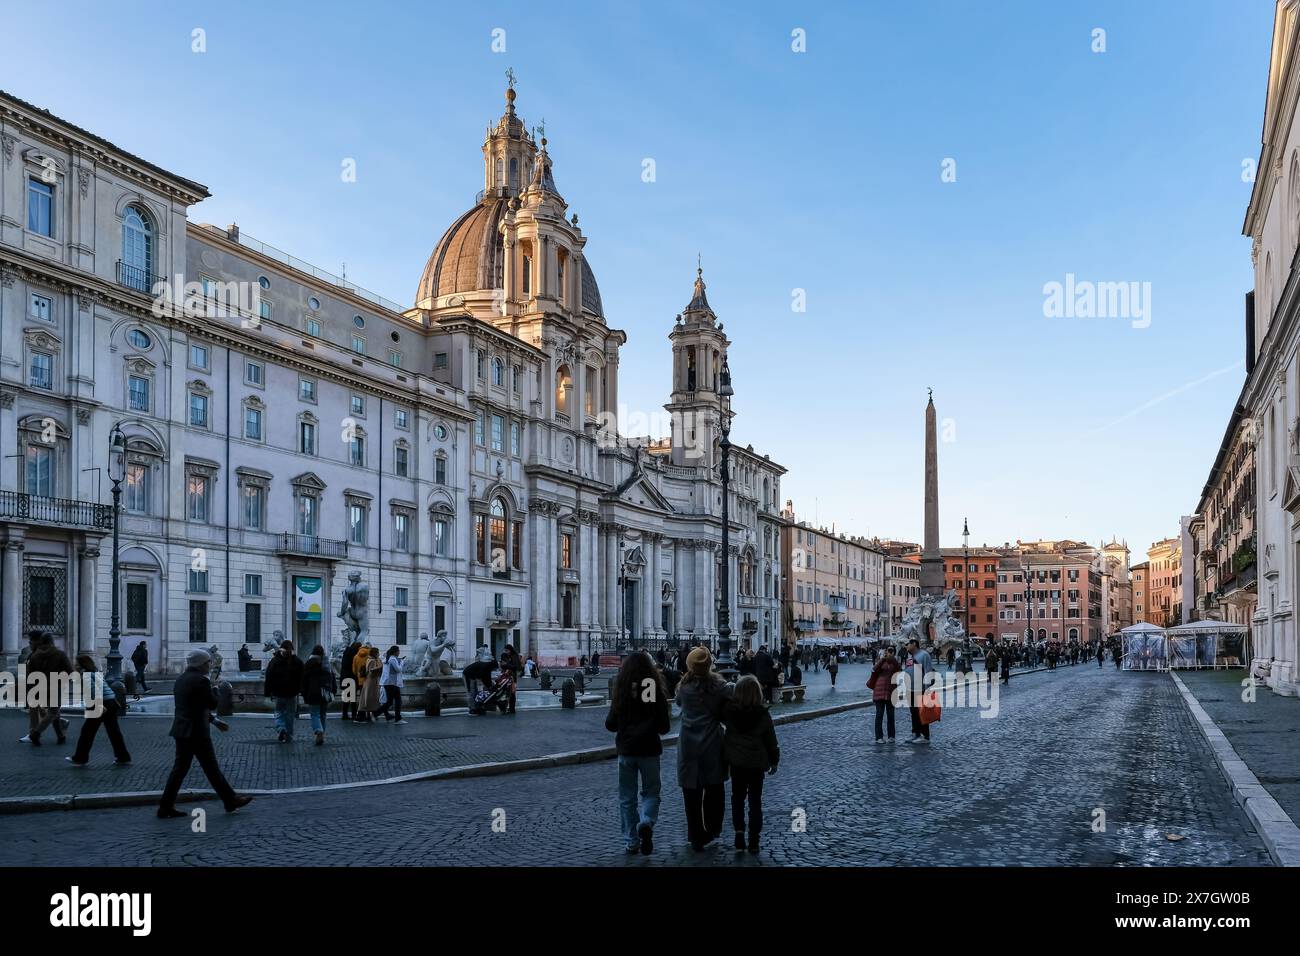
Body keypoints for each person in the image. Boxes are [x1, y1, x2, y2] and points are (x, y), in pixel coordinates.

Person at [158, 649, 252, 819]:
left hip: (182, 729)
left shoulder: (181, 679)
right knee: (209, 768)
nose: (210, 665)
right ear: (201, 664)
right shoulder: (201, 681)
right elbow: (212, 703)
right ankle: (230, 800)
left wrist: (214, 721)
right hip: (196, 732)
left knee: (182, 769)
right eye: (208, 662)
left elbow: (194, 705)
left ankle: (166, 806)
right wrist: (215, 688)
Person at [604, 651, 671, 855]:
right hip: (649, 748)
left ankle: (632, 840)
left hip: (626, 750)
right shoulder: (651, 687)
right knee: (651, 791)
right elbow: (662, 725)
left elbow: (610, 724)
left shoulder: (623, 689)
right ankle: (646, 821)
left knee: (627, 797)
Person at [675, 646, 733, 852]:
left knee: (691, 792)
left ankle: (695, 834)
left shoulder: (684, 687)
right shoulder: (718, 685)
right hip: (711, 742)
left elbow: (679, 703)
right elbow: (733, 691)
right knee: (714, 788)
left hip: (689, 744)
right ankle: (713, 827)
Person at [722, 674, 779, 854]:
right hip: (756, 764)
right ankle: (754, 838)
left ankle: (739, 831)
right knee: (755, 801)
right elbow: (771, 740)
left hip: (737, 762)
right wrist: (774, 760)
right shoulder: (763, 715)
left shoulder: (730, 713)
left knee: (737, 798)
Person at [67, 654, 131, 767]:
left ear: (82, 665)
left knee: (87, 732)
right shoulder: (94, 673)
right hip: (110, 702)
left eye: (77, 663)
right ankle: (123, 757)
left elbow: (94, 691)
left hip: (101, 704)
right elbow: (104, 688)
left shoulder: (85, 675)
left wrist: (99, 705)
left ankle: (80, 758)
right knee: (114, 732)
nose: (74, 665)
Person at [21, 633, 73, 747]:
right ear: (52, 642)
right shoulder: (60, 654)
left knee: (55, 713)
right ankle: (36, 733)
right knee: (53, 712)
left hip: (39, 687)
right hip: (55, 686)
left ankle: (61, 736)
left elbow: (30, 675)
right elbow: (70, 671)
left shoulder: (35, 656)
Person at [263, 640, 303, 742]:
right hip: (292, 692)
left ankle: (281, 728)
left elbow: (268, 677)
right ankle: (288, 734)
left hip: (278, 692)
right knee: (290, 714)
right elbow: (302, 677)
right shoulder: (297, 661)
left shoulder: (275, 661)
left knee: (279, 712)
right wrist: (301, 690)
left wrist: (267, 693)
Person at [300, 644, 335, 746]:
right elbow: (332, 677)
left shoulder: (309, 663)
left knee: (315, 713)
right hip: (325, 692)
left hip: (313, 692)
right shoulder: (326, 663)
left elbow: (304, 679)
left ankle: (318, 730)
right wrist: (332, 690)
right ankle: (322, 733)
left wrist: (303, 692)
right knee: (323, 714)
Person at [903, 638, 934, 745]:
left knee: (922, 712)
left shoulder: (924, 655)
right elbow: (907, 670)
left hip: (920, 688)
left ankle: (925, 736)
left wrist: (927, 688)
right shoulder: (910, 657)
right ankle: (915, 733)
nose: (906, 646)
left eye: (908, 644)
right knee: (914, 713)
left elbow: (928, 671)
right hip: (910, 689)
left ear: (914, 644)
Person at [869, 646, 902, 743]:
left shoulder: (895, 662)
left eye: (891, 651)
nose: (889, 652)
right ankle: (879, 737)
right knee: (879, 714)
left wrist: (893, 659)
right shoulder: (881, 661)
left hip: (891, 691)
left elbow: (899, 671)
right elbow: (874, 670)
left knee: (891, 715)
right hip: (879, 690)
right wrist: (882, 659)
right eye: (888, 650)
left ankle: (891, 736)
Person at [378, 646, 406, 724]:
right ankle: (398, 719)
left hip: (388, 683)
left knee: (389, 702)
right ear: (395, 652)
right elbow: (398, 669)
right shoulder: (392, 659)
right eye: (398, 651)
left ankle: (375, 714)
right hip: (393, 683)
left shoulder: (387, 659)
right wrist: (402, 662)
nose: (399, 652)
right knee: (398, 701)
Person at [356, 644, 383, 722]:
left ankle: (369, 715)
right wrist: (380, 666)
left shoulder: (368, 659)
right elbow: (371, 671)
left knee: (368, 698)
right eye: (378, 653)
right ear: (375, 653)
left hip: (368, 681)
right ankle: (370, 715)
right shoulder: (372, 660)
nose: (379, 654)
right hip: (372, 682)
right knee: (370, 698)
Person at [339, 641, 361, 721]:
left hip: (345, 676)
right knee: (353, 698)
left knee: (347, 697)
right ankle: (354, 714)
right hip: (352, 676)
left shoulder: (346, 652)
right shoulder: (354, 654)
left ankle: (345, 714)